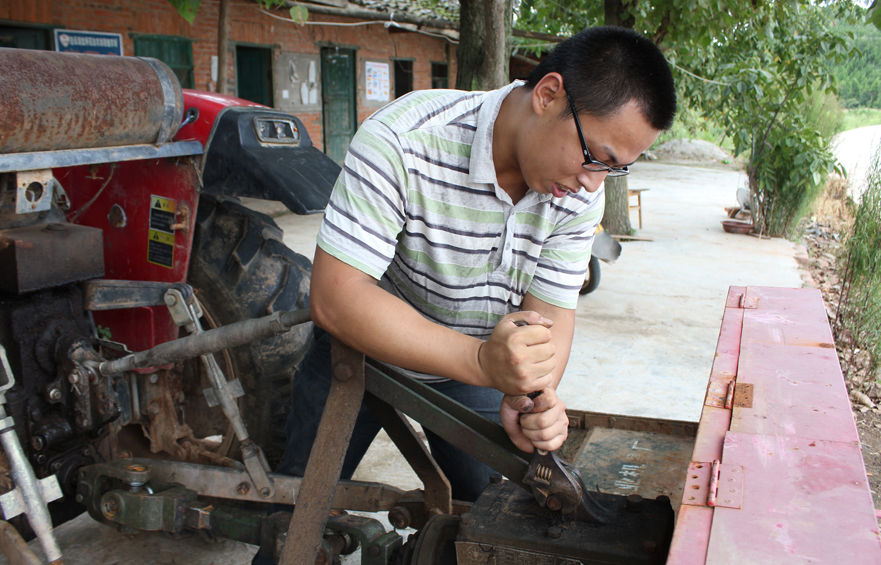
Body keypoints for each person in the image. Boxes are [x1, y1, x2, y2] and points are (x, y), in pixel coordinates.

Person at [275, 25, 675, 521]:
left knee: (494, 521)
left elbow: (549, 316)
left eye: (615, 170)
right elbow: (337, 297)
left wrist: (535, 393)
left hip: (475, 363)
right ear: (548, 95)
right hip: (360, 347)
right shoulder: (404, 140)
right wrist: (485, 365)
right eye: (596, 157)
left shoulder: (579, 190)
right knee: (296, 520)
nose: (593, 183)